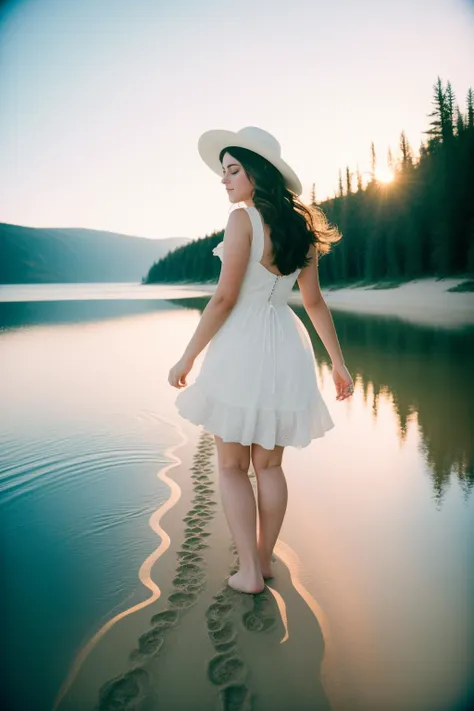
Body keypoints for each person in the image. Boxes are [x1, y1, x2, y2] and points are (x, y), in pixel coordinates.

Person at [168, 126, 354, 595]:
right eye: (223, 171)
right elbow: (313, 303)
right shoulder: (301, 227)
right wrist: (338, 363)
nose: (224, 180)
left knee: (231, 467)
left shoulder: (242, 220)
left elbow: (225, 297)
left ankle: (248, 571)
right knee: (269, 467)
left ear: (256, 174)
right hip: (286, 345)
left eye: (232, 170)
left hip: (242, 346)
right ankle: (266, 560)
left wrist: (186, 357)